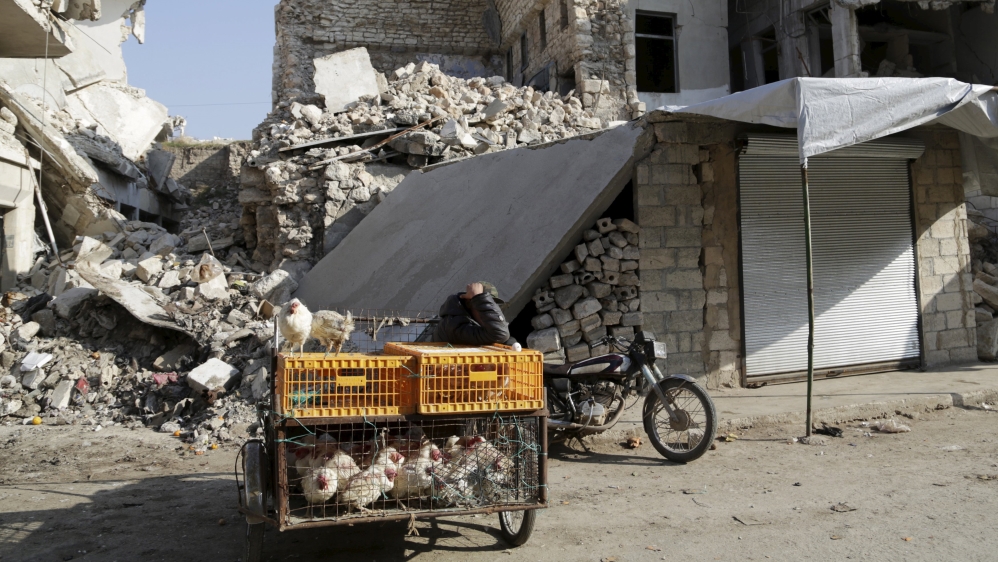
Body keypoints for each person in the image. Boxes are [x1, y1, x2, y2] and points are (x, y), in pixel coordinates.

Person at [433, 281, 519, 347]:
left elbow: (501, 337)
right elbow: (500, 334)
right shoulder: (454, 324)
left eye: (491, 305)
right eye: (482, 307)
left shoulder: (470, 319)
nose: (486, 313)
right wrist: (478, 297)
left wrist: (510, 343)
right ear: (469, 304)